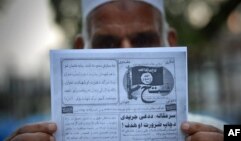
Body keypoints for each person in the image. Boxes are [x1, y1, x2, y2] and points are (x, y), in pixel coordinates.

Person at [6, 0, 224, 141]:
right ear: (81, 49)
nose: (126, 55)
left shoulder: (209, 130)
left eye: (144, 40)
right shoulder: (53, 135)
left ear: (170, 42)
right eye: (107, 43)